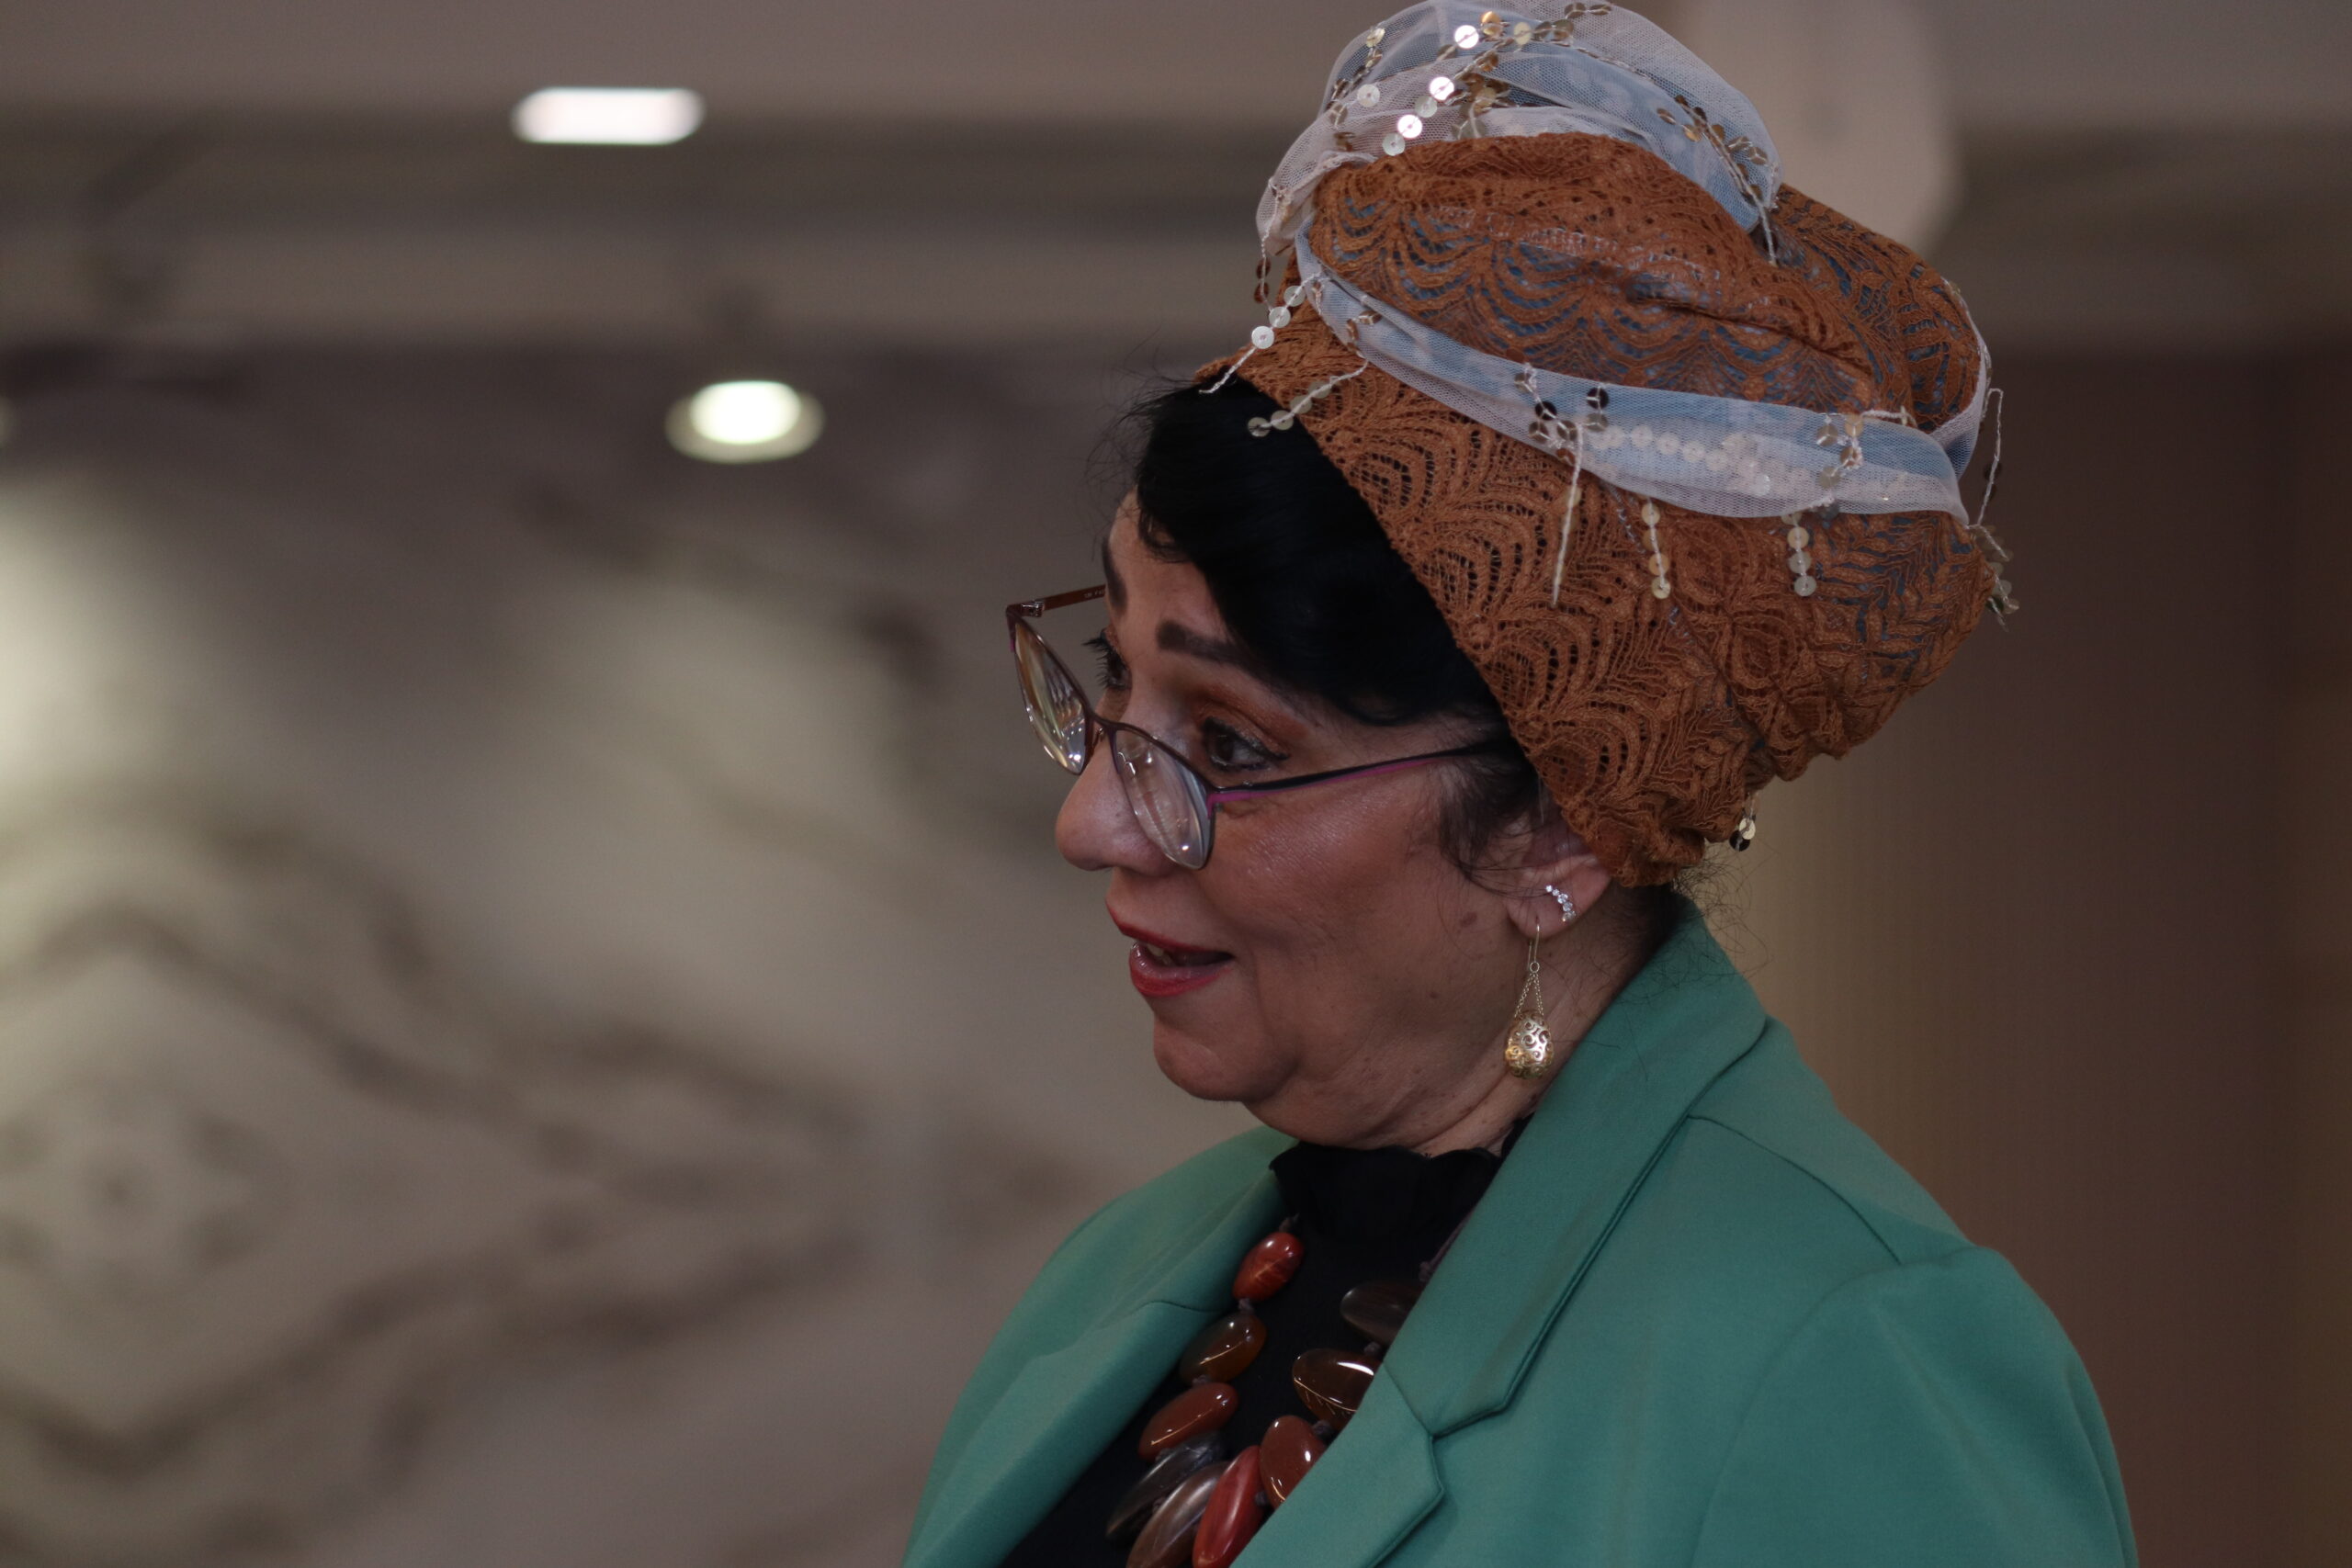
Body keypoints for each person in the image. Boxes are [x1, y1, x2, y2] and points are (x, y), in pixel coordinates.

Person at [906, 6, 2134, 1566]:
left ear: (1555, 824)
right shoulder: (1127, 1276)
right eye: (1114, 681)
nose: (1091, 821)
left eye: (1233, 746)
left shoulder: (1851, 1354)